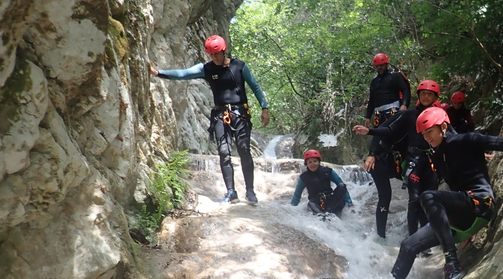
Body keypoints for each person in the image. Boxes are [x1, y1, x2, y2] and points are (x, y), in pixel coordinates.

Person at [389, 106, 503, 279]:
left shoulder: (468, 139)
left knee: (428, 196)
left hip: (481, 202)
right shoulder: (437, 155)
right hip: (463, 210)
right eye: (423, 134)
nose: (427, 137)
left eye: (430, 131)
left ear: (443, 127)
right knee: (408, 245)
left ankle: (452, 263)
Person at [150, 35, 269, 204]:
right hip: (220, 115)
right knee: (223, 152)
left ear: (223, 51)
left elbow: (255, 87)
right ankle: (231, 192)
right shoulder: (206, 69)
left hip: (240, 113)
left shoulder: (239, 66)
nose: (213, 57)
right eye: (211, 55)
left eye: (216, 54)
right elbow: (184, 74)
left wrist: (265, 108)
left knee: (243, 149)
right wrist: (159, 73)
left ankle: (250, 191)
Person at [352, 80, 442, 239]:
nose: (426, 97)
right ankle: (381, 236)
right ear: (418, 96)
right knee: (388, 197)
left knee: (424, 199)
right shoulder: (407, 115)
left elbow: (451, 136)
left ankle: (424, 238)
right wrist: (372, 152)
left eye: (430, 94)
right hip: (382, 159)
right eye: (423, 94)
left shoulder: (437, 117)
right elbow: (385, 130)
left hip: (407, 161)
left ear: (435, 98)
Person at [291, 150, 354, 217]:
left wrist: (350, 204)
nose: (313, 164)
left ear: (319, 162)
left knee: (341, 186)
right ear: (306, 164)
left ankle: (329, 212)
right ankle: (324, 215)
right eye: (310, 162)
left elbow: (340, 184)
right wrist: (290, 210)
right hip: (315, 202)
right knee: (310, 204)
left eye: (315, 161)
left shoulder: (327, 171)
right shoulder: (304, 177)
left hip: (330, 200)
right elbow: (296, 196)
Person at [364, 53, 411, 129]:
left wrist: (404, 104)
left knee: (393, 132)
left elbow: (405, 90)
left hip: (393, 110)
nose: (380, 67)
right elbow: (372, 100)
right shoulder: (374, 81)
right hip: (378, 113)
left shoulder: (395, 76)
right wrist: (368, 117)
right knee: (377, 136)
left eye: (382, 65)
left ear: (386, 64)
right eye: (377, 66)